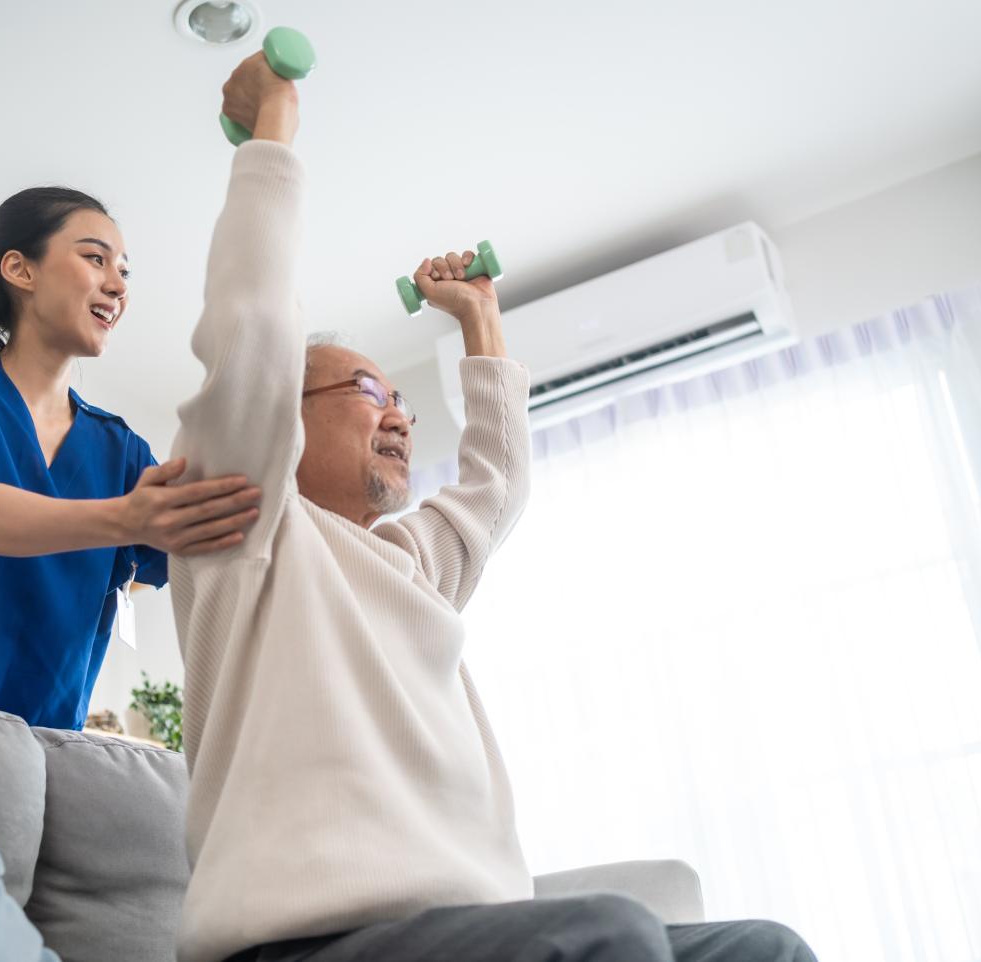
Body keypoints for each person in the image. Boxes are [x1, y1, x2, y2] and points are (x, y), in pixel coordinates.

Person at [167, 54, 819, 962]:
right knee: (613, 931)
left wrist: (477, 317)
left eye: (402, 399)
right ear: (280, 413)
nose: (396, 413)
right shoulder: (236, 530)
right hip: (298, 945)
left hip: (463, 933)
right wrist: (271, 138)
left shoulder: (408, 564)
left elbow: (494, 483)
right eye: (366, 389)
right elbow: (250, 335)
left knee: (761, 946)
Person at [0, 187, 262, 729]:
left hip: (39, 743)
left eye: (125, 271)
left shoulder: (122, 450)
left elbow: (214, 555)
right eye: (96, 258)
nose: (118, 285)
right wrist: (125, 519)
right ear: (20, 270)